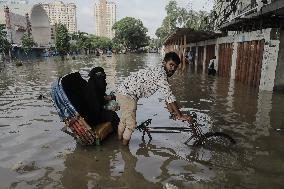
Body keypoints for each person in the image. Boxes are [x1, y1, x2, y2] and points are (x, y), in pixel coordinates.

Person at [116, 52, 193, 145]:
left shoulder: (160, 71)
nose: (173, 69)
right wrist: (180, 115)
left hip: (122, 92)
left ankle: (119, 142)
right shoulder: (161, 75)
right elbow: (169, 97)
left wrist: (172, 112)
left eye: (175, 67)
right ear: (164, 63)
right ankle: (124, 149)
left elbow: (166, 96)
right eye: (171, 65)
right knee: (131, 125)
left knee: (124, 120)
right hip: (128, 95)